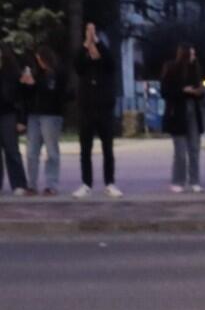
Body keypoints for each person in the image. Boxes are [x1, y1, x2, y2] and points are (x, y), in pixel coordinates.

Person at [74, 23, 121, 197]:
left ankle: (109, 182)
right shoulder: (84, 66)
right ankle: (86, 183)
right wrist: (86, 43)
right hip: (86, 110)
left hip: (104, 110)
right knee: (85, 149)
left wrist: (97, 42)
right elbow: (76, 64)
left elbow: (111, 61)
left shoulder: (106, 66)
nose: (93, 50)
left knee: (107, 149)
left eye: (96, 48)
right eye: (91, 49)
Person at [20, 44, 67, 196]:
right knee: (31, 151)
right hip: (34, 114)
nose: (39, 62)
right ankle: (31, 184)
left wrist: (35, 85)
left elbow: (53, 93)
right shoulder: (36, 73)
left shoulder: (56, 73)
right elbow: (28, 95)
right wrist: (26, 84)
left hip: (51, 114)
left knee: (51, 150)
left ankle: (51, 184)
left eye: (40, 59)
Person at [160, 43, 205, 193]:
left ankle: (195, 180)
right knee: (180, 151)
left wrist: (199, 92)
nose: (194, 57)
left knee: (194, 148)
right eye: (191, 54)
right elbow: (165, 91)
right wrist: (183, 91)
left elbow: (201, 92)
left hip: (193, 111)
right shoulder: (171, 69)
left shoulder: (196, 70)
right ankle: (178, 180)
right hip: (177, 113)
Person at [0, 46, 29, 193]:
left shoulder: (13, 73)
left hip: (8, 115)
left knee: (12, 150)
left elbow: (21, 98)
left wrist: (22, 120)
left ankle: (19, 184)